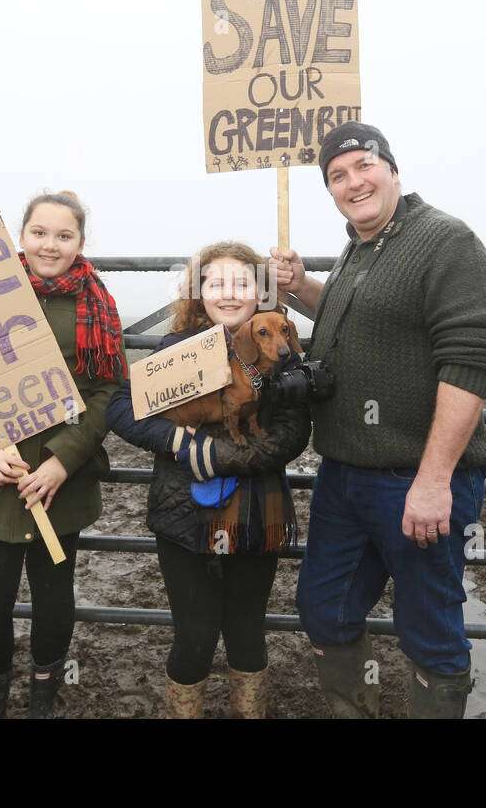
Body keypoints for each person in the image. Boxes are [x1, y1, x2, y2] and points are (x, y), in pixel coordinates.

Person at [269, 121, 486, 719]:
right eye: (337, 176)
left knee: (429, 627)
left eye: (363, 166)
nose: (353, 182)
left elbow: (469, 360)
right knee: (325, 608)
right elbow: (361, 315)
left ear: (393, 170)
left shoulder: (446, 241)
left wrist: (433, 481)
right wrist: (301, 287)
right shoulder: (361, 245)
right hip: (344, 472)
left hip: (415, 476)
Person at [106, 242, 308, 718]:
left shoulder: (281, 344)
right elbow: (120, 407)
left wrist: (222, 454)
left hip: (257, 512)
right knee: (194, 635)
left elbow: (294, 432)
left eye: (242, 283)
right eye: (216, 283)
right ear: (199, 291)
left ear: (260, 290)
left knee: (246, 631)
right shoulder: (177, 348)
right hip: (184, 515)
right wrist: (181, 443)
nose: (229, 293)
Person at [0, 190, 127, 718]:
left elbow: (106, 391)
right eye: (39, 232)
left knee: (54, 597)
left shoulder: (95, 303)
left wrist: (63, 459)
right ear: (21, 235)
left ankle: (43, 692)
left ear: (80, 241)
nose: (49, 245)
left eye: (63, 235)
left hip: (61, 483)